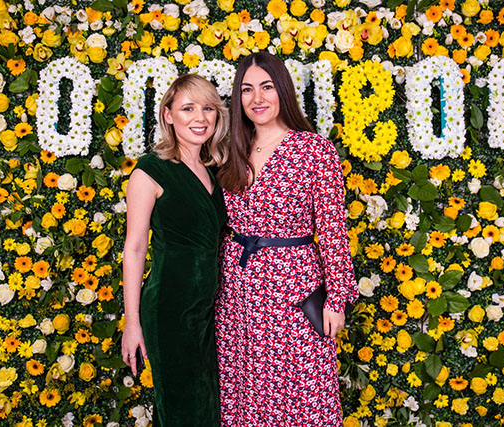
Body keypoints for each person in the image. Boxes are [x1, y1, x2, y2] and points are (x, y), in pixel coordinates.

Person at [215, 51, 358, 426]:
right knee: (244, 396)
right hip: (236, 298)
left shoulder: (314, 150)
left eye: (266, 87)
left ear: (283, 90)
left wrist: (336, 300)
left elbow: (332, 230)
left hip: (293, 294)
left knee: (302, 395)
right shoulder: (231, 149)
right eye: (247, 90)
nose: (257, 98)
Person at [121, 74, 229, 426]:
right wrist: (132, 323)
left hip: (207, 311)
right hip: (169, 309)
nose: (200, 118)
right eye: (188, 109)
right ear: (168, 115)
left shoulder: (215, 171)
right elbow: (135, 248)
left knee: (206, 410)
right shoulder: (150, 171)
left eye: (208, 108)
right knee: (183, 412)